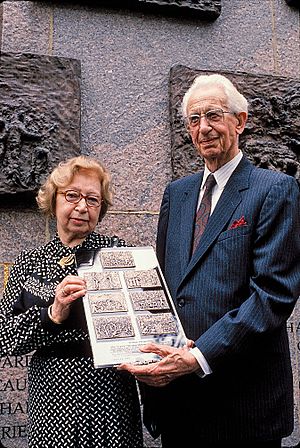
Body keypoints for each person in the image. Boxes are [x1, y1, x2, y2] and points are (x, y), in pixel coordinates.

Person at [119, 74, 300, 447]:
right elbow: (164, 287)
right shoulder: (178, 194)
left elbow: (273, 295)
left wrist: (199, 356)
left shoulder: (275, 189)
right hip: (177, 401)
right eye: (194, 119)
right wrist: (140, 345)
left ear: (240, 121)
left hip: (241, 405)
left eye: (214, 115)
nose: (204, 128)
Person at [0, 155, 143, 448]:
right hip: (52, 397)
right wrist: (53, 312)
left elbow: (146, 317)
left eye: (92, 199)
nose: (81, 207)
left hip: (109, 393)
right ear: (54, 201)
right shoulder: (28, 263)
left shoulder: (120, 253)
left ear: (101, 209)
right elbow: (5, 338)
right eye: (72, 195)